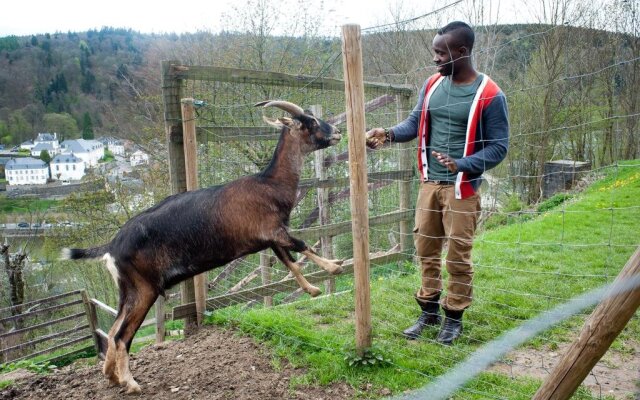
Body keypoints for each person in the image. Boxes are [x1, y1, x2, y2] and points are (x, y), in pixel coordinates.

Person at [366, 21, 509, 345]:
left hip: (463, 188)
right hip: (429, 183)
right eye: (435, 53)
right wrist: (387, 134)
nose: (435, 59)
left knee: (458, 255)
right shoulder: (432, 85)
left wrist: (464, 164)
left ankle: (453, 318)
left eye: (441, 53)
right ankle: (428, 313)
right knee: (426, 250)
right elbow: (415, 123)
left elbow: (499, 146)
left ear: (462, 52)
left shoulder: (489, 94)